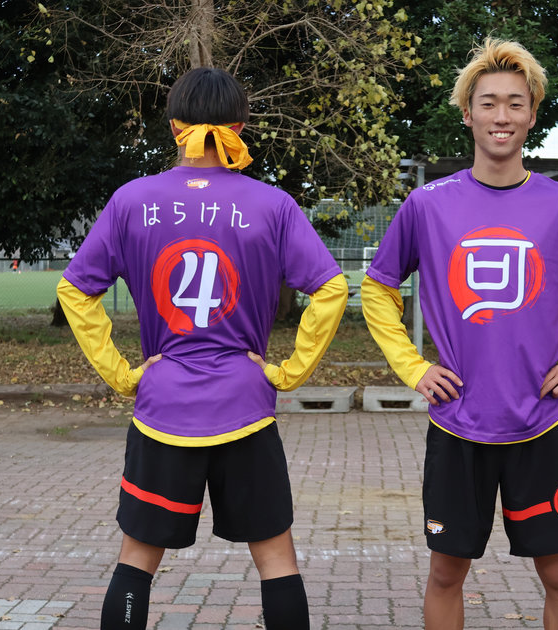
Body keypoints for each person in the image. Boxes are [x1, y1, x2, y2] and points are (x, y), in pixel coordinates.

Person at [57, 67, 347, 630]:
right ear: (239, 127)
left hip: (162, 405)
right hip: (246, 403)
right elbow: (331, 289)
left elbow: (75, 290)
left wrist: (123, 373)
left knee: (136, 559)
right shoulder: (272, 204)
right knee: (276, 559)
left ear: (174, 127)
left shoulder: (131, 200)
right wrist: (287, 371)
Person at [361, 38, 558, 630]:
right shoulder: (428, 205)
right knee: (445, 574)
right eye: (488, 103)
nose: (501, 116)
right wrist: (414, 367)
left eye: (515, 103)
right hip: (457, 423)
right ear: (468, 113)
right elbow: (377, 288)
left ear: (532, 114)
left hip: (541, 424)